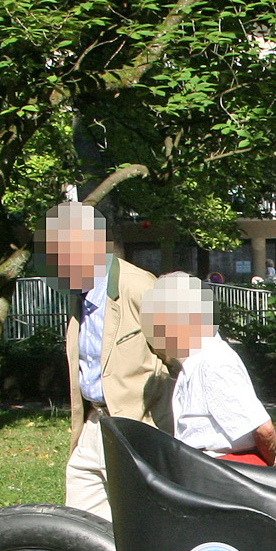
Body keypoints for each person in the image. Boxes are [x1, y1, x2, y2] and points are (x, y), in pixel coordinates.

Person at [48, 198, 171, 520]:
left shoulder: (139, 287)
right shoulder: (79, 296)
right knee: (81, 531)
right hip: (93, 425)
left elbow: (181, 361)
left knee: (140, 525)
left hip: (140, 429)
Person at [141, 273, 276, 467]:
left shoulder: (215, 361)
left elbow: (264, 430)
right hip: (205, 467)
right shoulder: (196, 360)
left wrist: (273, 464)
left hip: (227, 473)